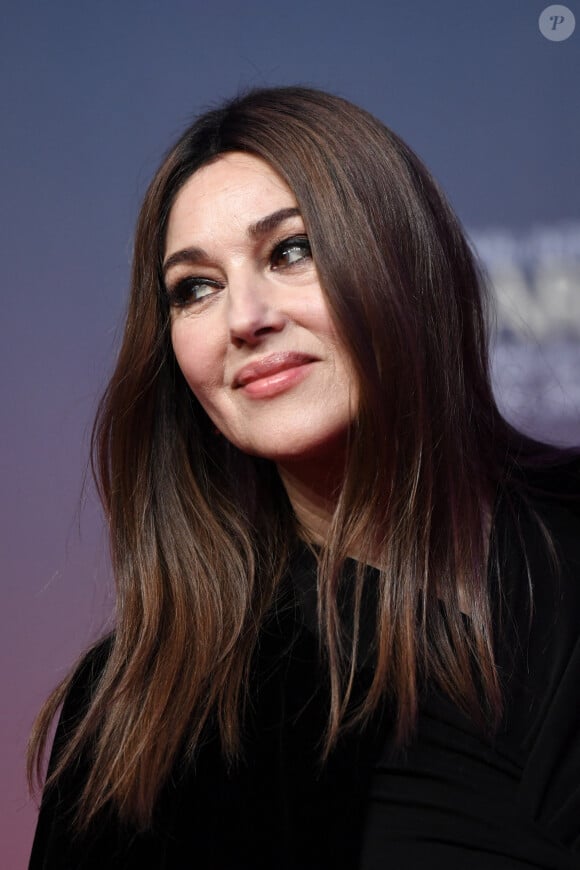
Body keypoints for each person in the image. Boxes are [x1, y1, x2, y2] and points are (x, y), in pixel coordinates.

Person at [28, 86, 580, 869]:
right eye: (196, 288)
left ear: (403, 257)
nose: (244, 317)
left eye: (291, 251)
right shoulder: (144, 720)